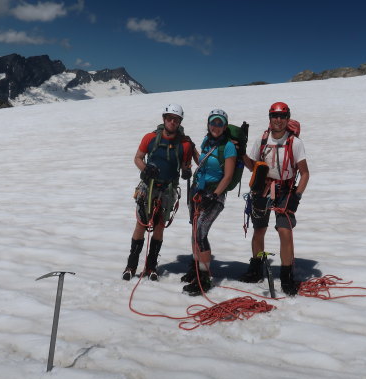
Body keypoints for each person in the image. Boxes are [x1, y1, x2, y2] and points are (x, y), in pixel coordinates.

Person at [240, 102, 309, 296]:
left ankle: (286, 277)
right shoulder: (262, 139)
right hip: (262, 189)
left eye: (282, 116)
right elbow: (253, 166)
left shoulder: (295, 143)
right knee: (259, 230)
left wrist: (297, 196)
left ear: (287, 119)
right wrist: (241, 153)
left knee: (284, 231)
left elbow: (304, 173)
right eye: (274, 116)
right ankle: (256, 269)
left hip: (285, 191)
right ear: (269, 118)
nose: (278, 120)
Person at [123, 103, 194, 281]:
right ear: (164, 119)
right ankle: (131, 265)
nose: (172, 122)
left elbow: (186, 165)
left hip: (168, 189)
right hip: (149, 187)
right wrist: (145, 169)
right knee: (141, 223)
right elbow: (138, 157)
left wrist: (187, 171)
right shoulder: (150, 138)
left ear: (179, 122)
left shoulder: (185, 144)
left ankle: (151, 266)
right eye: (170, 118)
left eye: (176, 120)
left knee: (160, 225)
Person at [182, 108, 236, 296]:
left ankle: (204, 278)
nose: (216, 126)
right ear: (208, 124)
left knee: (201, 232)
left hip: (214, 194)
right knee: (195, 229)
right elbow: (202, 163)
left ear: (225, 126)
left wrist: (214, 195)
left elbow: (228, 176)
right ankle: (196, 268)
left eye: (220, 123)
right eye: (213, 122)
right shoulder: (207, 141)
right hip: (198, 190)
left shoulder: (228, 146)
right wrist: (192, 147)